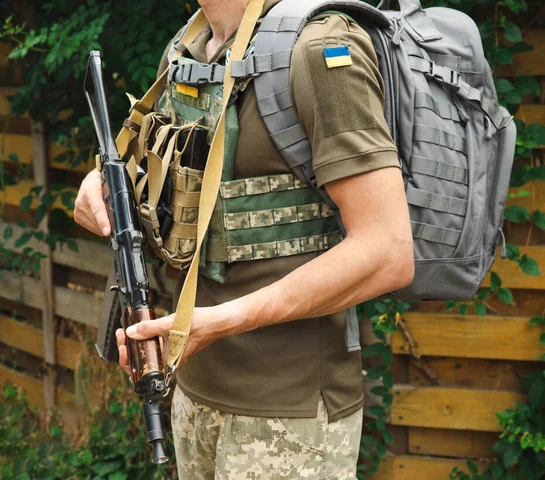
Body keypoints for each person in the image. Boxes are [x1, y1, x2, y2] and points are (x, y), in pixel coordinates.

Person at [74, 0, 414, 478]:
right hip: (192, 397)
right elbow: (174, 201)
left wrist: (220, 322)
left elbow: (387, 252)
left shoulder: (317, 48)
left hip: (289, 418)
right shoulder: (187, 50)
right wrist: (104, 189)